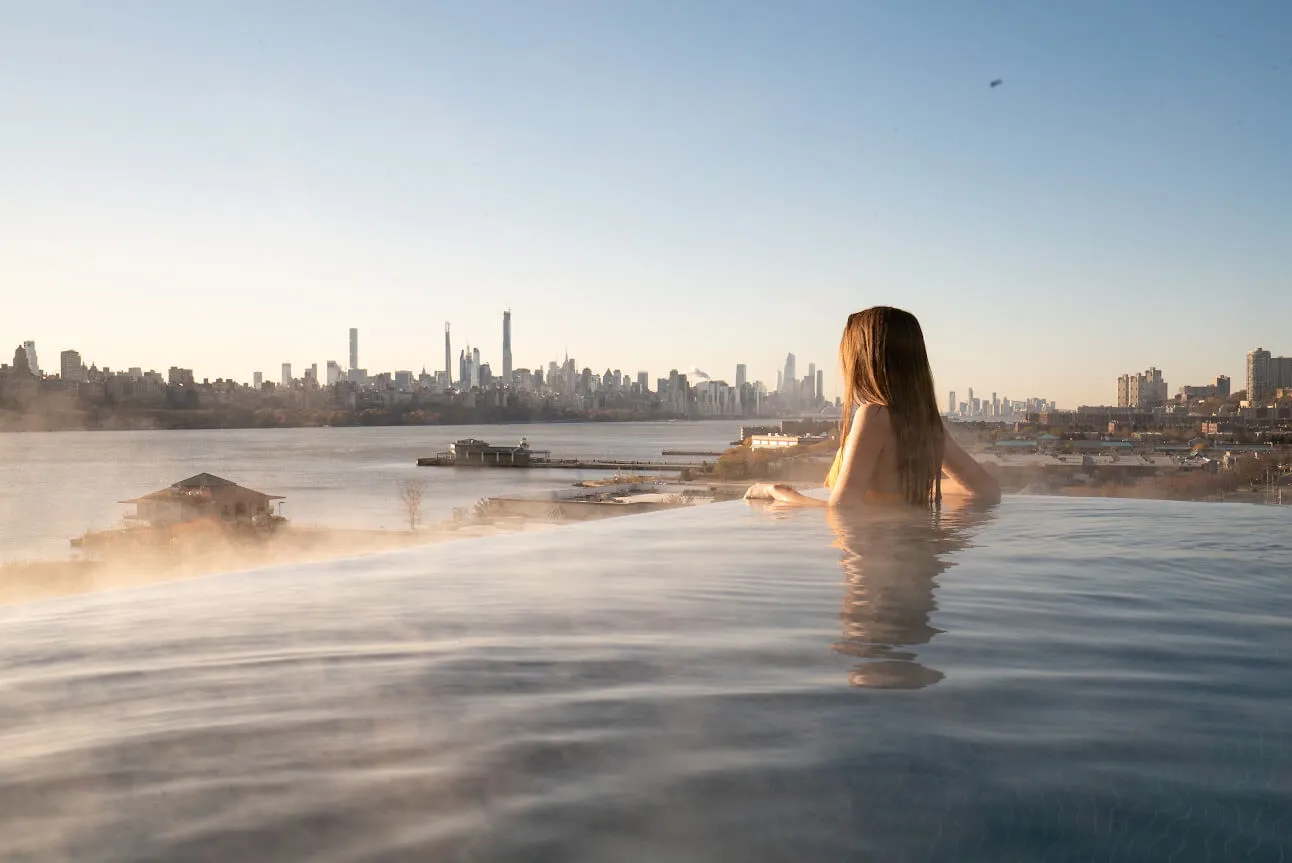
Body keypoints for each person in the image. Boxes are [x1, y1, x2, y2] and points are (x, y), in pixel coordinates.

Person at [745, 306, 1000, 508]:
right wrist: (914, 489)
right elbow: (987, 490)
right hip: (913, 564)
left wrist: (778, 492)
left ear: (862, 360)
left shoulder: (873, 415)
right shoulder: (924, 421)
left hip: (871, 562)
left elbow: (843, 508)